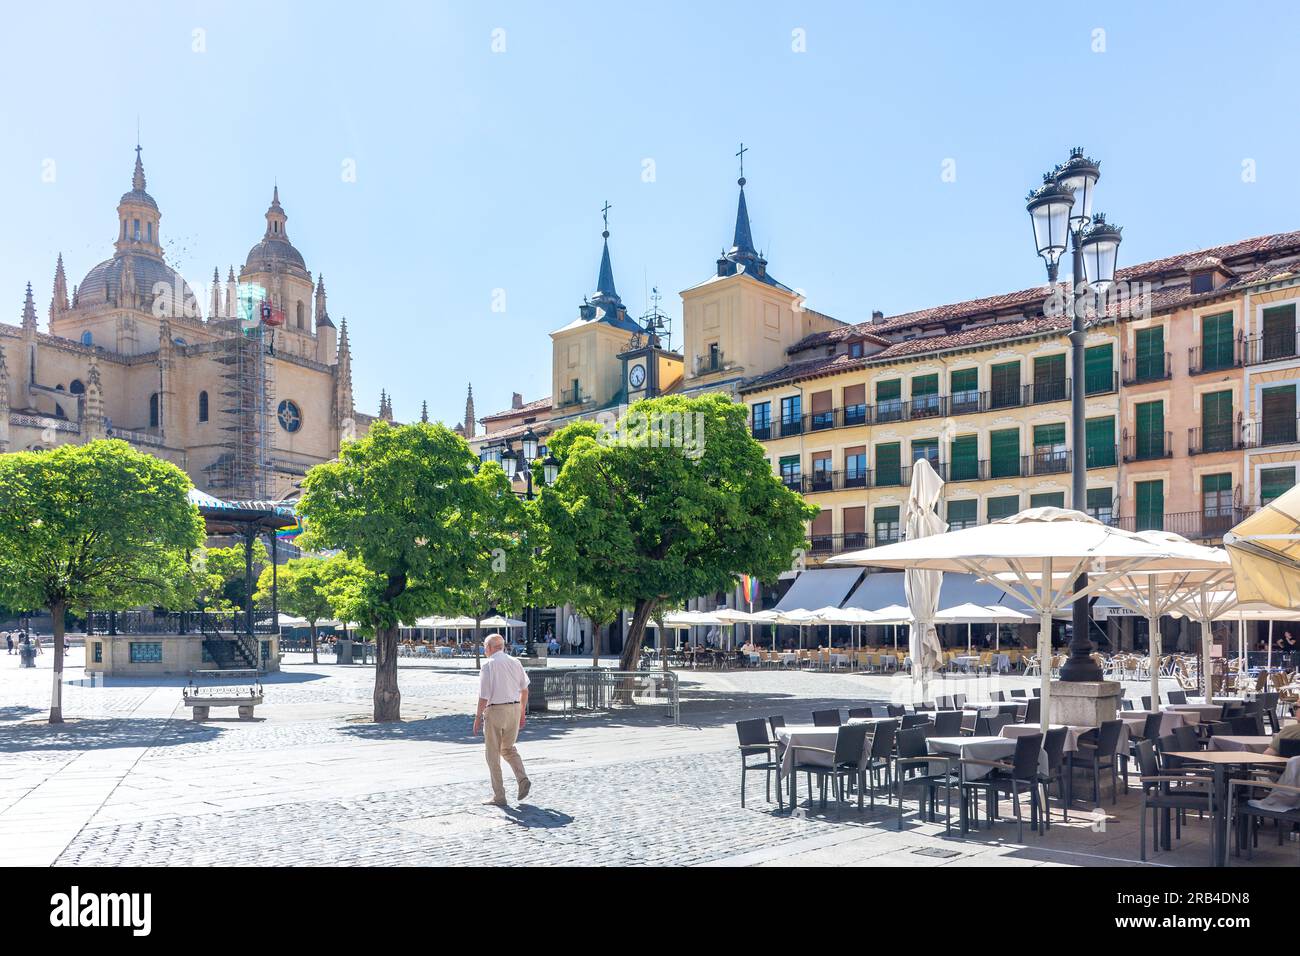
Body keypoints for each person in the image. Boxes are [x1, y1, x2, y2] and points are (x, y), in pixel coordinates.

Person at [472, 633, 531, 807]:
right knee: (508, 749)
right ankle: (522, 779)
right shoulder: (516, 662)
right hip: (513, 709)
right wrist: (521, 712)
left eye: (485, 647)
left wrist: (477, 718)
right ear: (502, 647)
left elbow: (483, 696)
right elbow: (525, 690)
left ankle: (499, 796)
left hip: (495, 711)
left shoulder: (488, 665)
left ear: (490, 648)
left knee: (492, 755)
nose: (484, 650)